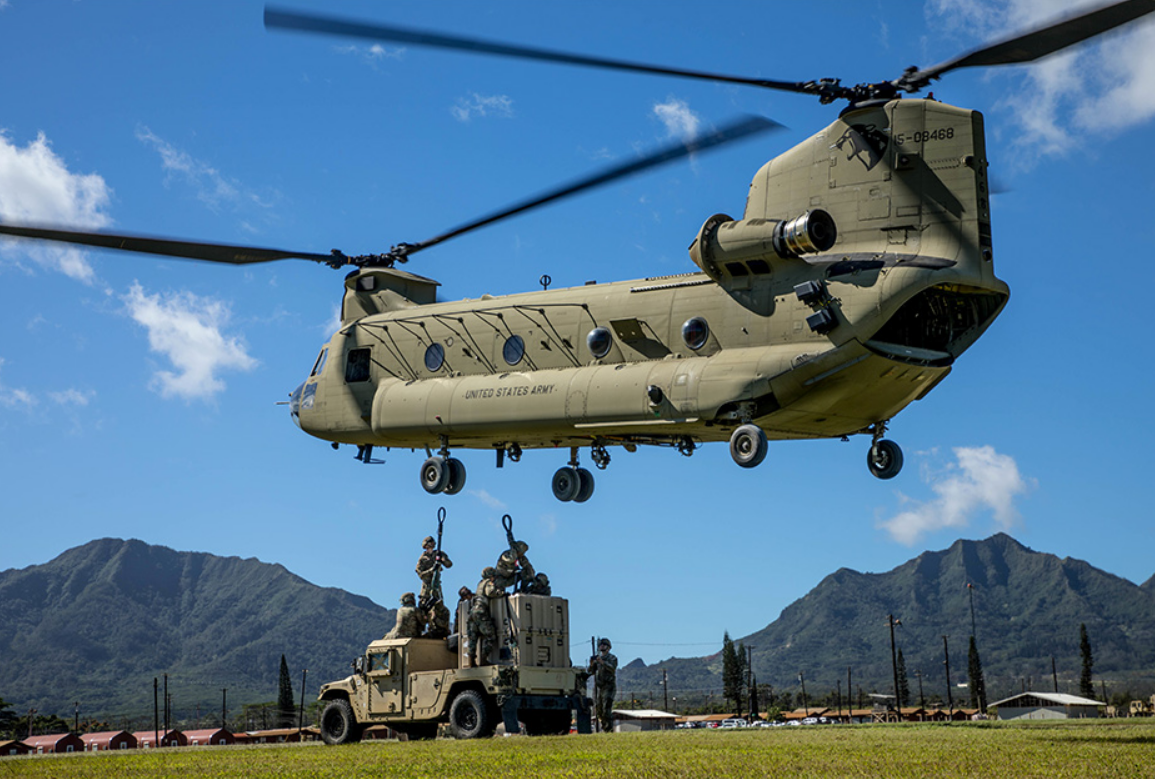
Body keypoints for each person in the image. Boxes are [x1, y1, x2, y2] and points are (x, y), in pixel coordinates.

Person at [467, 567, 501, 666]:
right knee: (490, 635)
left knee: (473, 637)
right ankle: (483, 659)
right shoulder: (488, 583)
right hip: (481, 611)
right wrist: (500, 592)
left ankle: (471, 661)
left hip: (472, 612)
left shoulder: (480, 583)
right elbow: (490, 592)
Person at [589, 638, 618, 733]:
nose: (602, 646)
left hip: (609, 686)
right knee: (599, 710)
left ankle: (608, 729)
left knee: (606, 708)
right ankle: (605, 726)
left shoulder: (612, 658)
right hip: (600, 687)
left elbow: (612, 668)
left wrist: (602, 662)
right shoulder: (598, 660)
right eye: (601, 645)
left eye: (604, 645)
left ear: (608, 647)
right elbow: (591, 672)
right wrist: (592, 663)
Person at [416, 535, 453, 608]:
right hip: (426, 587)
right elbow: (421, 574)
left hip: (436, 586)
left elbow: (449, 564)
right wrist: (432, 570)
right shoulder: (422, 559)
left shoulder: (439, 553)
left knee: (439, 607)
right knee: (425, 607)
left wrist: (442, 559)